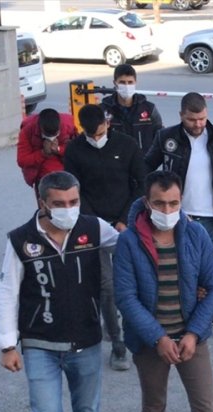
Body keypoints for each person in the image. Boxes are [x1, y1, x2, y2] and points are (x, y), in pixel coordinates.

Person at [0, 171, 118, 412]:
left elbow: (134, 244)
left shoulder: (94, 229)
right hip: (40, 345)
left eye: (74, 201)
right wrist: (7, 345)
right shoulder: (21, 241)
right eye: (59, 203)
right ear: (43, 202)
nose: (68, 209)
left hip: (86, 341)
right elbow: (7, 292)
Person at [113, 170, 213, 412]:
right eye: (160, 203)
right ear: (147, 202)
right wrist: (157, 338)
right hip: (150, 343)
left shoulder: (196, 235)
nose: (167, 210)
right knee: (153, 409)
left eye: (174, 203)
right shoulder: (129, 241)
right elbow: (126, 297)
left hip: (191, 339)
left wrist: (194, 333)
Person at [146, 92, 213, 339]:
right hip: (182, 220)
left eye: (202, 119)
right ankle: (193, 318)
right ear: (181, 115)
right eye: (192, 119)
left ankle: (212, 313)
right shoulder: (166, 137)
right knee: (186, 272)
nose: (198, 124)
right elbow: (146, 168)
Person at [64, 103, 146, 372]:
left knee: (135, 282)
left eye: (100, 133)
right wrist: (94, 223)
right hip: (93, 226)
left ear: (107, 123)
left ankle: (140, 330)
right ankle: (118, 343)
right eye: (91, 135)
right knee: (107, 287)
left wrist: (124, 219)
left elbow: (141, 184)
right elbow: (75, 191)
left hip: (126, 225)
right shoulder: (75, 150)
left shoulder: (127, 145)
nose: (96, 139)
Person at [101, 63, 162, 157]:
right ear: (115, 83)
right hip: (114, 163)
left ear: (135, 82)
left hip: (142, 162)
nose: (126, 86)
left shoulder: (149, 109)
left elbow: (160, 138)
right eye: (122, 82)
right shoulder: (103, 110)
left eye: (130, 82)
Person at [15, 107, 76, 192]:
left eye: (55, 134)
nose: (51, 138)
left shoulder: (68, 125)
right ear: (40, 128)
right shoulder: (28, 130)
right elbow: (22, 160)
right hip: (43, 179)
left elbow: (77, 152)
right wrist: (43, 153)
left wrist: (58, 149)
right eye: (47, 135)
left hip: (66, 174)